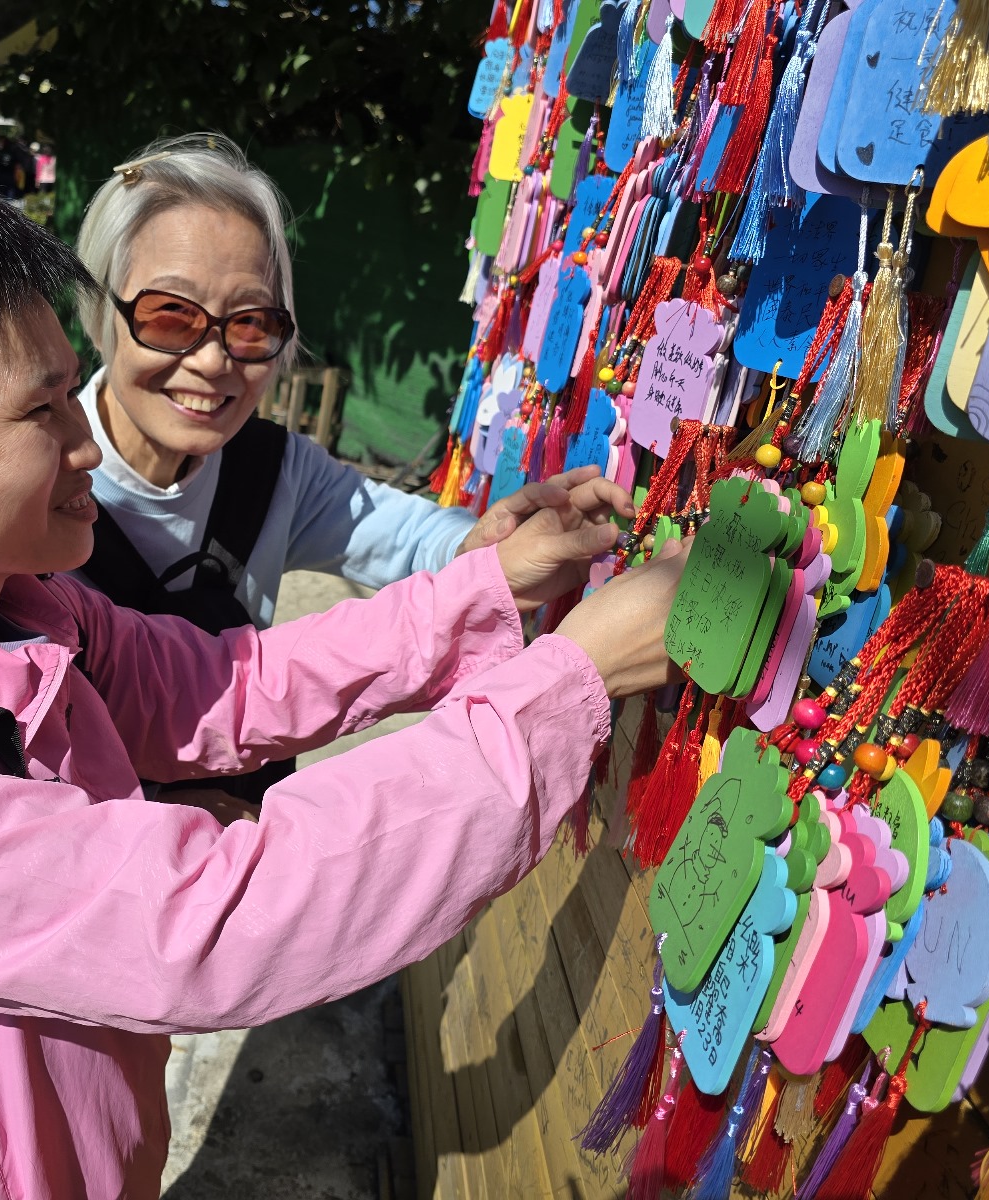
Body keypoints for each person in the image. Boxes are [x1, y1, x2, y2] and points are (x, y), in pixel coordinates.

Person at [0, 170, 686, 1199]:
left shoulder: (19, 606)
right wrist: (569, 686)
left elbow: (226, 681)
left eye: (69, 393)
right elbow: (215, 917)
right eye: (42, 412)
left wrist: (490, 585)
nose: (85, 444)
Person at [73, 133, 614, 807]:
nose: (213, 361)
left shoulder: (271, 471)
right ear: (101, 310)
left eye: (250, 324)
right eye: (171, 316)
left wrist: (487, 545)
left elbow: (414, 540)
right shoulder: (35, 483)